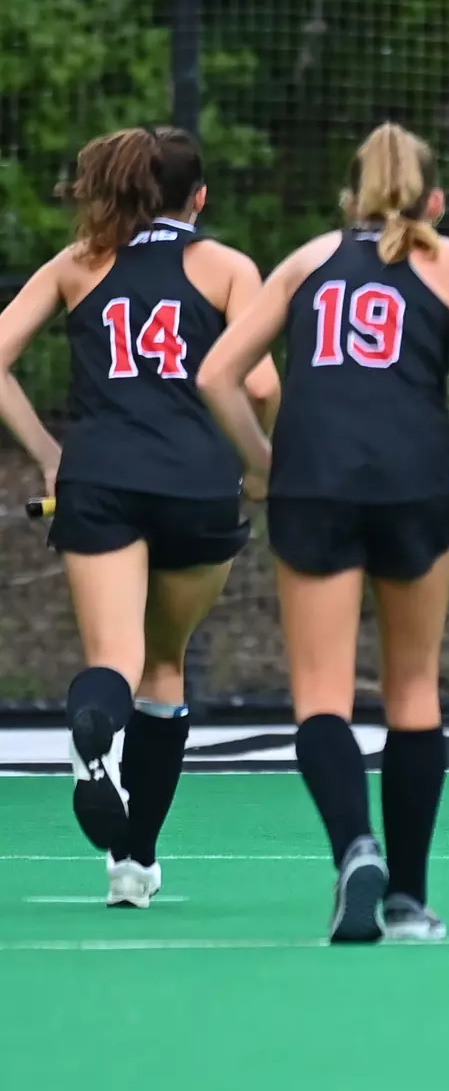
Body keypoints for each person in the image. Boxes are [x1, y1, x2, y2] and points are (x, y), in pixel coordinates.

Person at [196, 122, 449, 943]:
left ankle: (354, 846)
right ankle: (408, 902)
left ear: (349, 199)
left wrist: (263, 462)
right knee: (412, 689)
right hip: (414, 482)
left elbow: (215, 374)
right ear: (437, 201)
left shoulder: (306, 262)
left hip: (312, 482)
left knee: (321, 694)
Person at [0, 126, 281, 908]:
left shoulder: (78, 264)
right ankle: (134, 861)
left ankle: (93, 741)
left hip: (98, 481)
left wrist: (50, 452)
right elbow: (257, 386)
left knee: (113, 659)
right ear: (199, 197)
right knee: (165, 667)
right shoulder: (225, 267)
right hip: (197, 485)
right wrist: (264, 471)